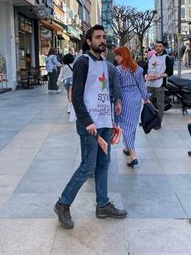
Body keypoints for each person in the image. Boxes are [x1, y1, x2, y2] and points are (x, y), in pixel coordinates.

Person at [54, 24, 126, 229]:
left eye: (103, 37)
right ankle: (62, 204)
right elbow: (76, 97)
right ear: (88, 41)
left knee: (103, 164)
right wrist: (87, 122)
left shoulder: (105, 63)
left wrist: (117, 103)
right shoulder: (82, 63)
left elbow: (111, 88)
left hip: (105, 122)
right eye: (97, 37)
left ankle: (102, 204)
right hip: (90, 125)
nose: (102, 40)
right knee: (87, 167)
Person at [114, 46, 150, 167]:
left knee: (125, 126)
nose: (115, 58)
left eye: (117, 55)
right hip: (136, 98)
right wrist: (146, 98)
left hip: (124, 98)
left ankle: (133, 154)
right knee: (132, 125)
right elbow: (142, 84)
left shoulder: (118, 70)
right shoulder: (138, 69)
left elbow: (117, 88)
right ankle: (127, 147)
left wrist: (116, 101)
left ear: (122, 56)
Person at [145, 41, 174, 129]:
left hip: (160, 83)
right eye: (156, 46)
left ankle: (158, 122)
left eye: (160, 46)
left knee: (160, 103)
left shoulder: (166, 58)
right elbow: (146, 68)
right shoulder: (151, 57)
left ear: (163, 48)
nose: (158, 48)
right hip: (150, 83)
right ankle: (147, 120)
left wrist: (159, 76)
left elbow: (170, 72)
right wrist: (146, 75)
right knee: (148, 102)